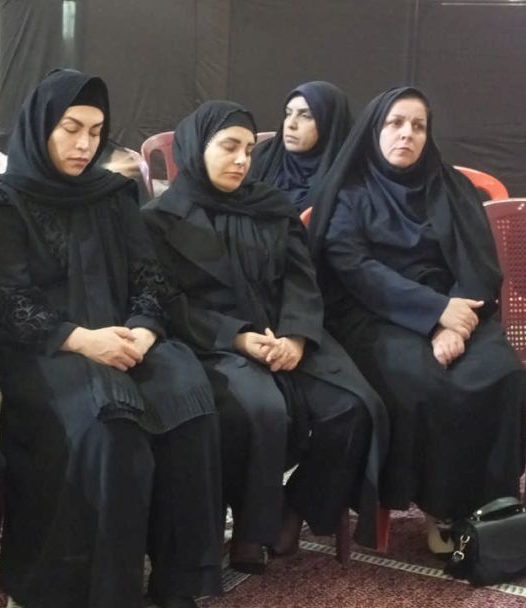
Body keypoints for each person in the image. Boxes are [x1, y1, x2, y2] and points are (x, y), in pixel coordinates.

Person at [0, 69, 223, 608]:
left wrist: (144, 330)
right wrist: (83, 340)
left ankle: (175, 581)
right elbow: (8, 300)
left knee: (191, 409)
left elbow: (148, 276)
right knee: (112, 435)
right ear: (41, 127)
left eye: (95, 131)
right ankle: (103, 589)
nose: (84, 145)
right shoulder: (3, 203)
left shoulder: (113, 195)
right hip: (46, 351)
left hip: (124, 338)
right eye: (71, 129)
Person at [141, 100, 387, 573]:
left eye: (249, 151)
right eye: (229, 147)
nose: (241, 161)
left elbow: (301, 279)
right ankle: (251, 530)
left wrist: (296, 336)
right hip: (213, 341)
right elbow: (167, 302)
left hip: (285, 332)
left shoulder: (271, 207)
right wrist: (237, 338)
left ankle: (294, 507)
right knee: (260, 408)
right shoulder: (159, 219)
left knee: (355, 407)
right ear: (197, 148)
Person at [309, 86, 526, 553]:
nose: (406, 134)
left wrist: (453, 318)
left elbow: (479, 263)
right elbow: (353, 268)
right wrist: (432, 314)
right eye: (395, 123)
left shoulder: (451, 187)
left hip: (460, 312)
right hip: (376, 316)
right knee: (426, 381)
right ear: (375, 129)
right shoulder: (350, 191)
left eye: (418, 126)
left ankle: (493, 508)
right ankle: (441, 510)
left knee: (504, 374)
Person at [247, 81, 352, 212]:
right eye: (288, 113)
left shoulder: (348, 176)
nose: (291, 124)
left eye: (305, 116)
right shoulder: (261, 157)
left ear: (329, 124)